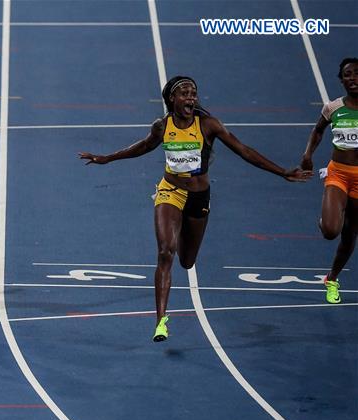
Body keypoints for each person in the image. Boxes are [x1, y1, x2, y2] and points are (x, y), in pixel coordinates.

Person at [79, 76, 312, 342]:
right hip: (170, 191)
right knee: (166, 251)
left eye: (194, 94)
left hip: (199, 197)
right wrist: (107, 158)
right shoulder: (162, 127)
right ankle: (161, 321)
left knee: (187, 261)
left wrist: (282, 172)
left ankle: (180, 241)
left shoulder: (208, 126)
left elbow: (244, 150)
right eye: (185, 94)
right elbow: (143, 147)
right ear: (172, 100)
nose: (191, 98)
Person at [301, 57, 358, 304]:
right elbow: (318, 130)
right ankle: (328, 218)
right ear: (341, 80)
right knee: (330, 231)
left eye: (356, 73)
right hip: (338, 172)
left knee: (349, 235)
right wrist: (307, 155)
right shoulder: (333, 107)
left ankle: (332, 279)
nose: (352, 78)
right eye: (347, 74)